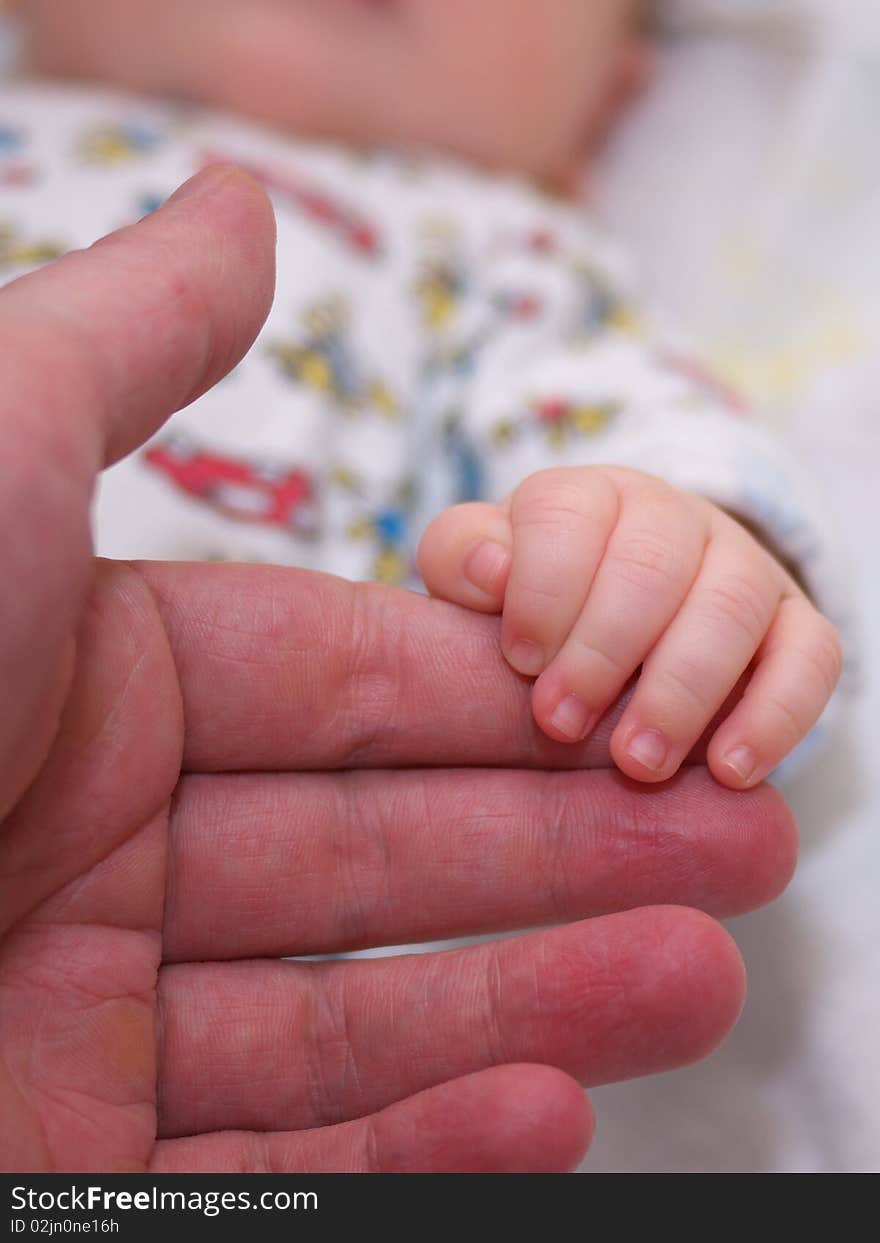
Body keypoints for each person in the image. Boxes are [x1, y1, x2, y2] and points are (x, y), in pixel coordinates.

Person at [0, 167, 802, 1175]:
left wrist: (671, 552)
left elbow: (641, 424)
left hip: (229, 993)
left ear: (614, 89)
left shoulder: (497, 240)